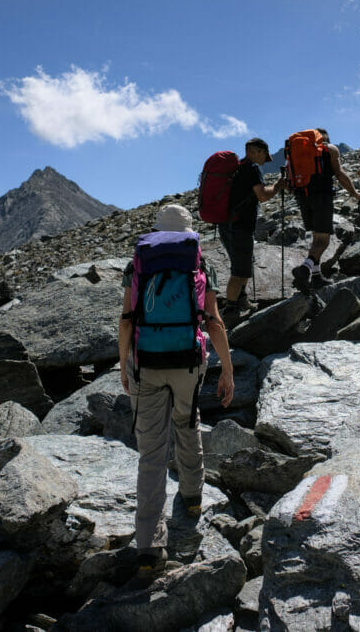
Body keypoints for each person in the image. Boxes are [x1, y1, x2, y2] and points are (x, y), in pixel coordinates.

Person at [119, 204, 234, 576]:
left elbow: (126, 319)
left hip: (146, 363)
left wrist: (125, 364)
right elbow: (213, 321)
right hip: (187, 360)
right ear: (188, 230)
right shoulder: (200, 262)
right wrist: (227, 371)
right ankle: (193, 496)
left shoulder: (138, 261)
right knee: (187, 422)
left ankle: (149, 547)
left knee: (151, 451)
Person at [218, 138, 287, 326]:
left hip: (227, 224)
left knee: (241, 265)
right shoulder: (252, 168)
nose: (266, 159)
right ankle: (230, 310)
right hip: (240, 226)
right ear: (255, 151)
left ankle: (242, 301)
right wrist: (278, 186)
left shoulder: (237, 168)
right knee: (239, 270)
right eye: (265, 154)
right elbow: (263, 196)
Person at [291, 128, 360, 291]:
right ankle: (305, 269)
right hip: (322, 197)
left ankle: (317, 277)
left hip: (303, 197)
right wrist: (355, 193)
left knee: (316, 239)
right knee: (323, 241)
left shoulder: (299, 152)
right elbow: (339, 174)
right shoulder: (330, 149)